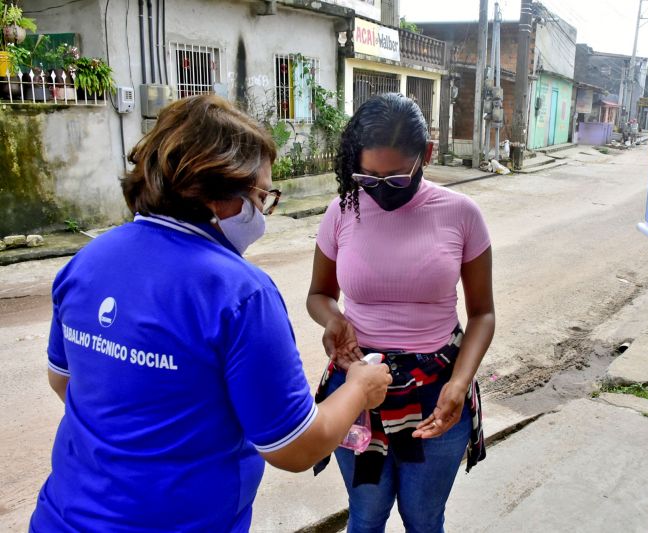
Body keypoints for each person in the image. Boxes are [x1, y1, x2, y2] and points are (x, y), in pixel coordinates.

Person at [30, 94, 391, 533]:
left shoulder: (86, 261)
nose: (262, 212)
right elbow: (294, 447)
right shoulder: (240, 294)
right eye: (262, 196)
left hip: (60, 517)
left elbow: (65, 381)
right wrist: (360, 388)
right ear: (220, 193)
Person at [307, 93, 495, 532]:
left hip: (437, 390)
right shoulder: (342, 211)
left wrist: (459, 383)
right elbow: (319, 294)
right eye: (367, 177)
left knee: (423, 518)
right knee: (366, 515)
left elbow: (483, 313)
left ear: (425, 156)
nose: (378, 190)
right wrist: (335, 320)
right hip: (357, 389)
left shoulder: (461, 214)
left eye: (394, 178)